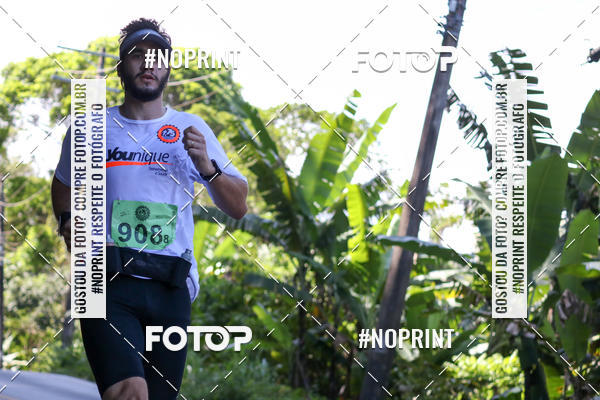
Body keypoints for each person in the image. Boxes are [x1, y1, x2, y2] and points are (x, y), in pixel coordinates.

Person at [51, 18, 248, 400]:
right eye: (137, 55)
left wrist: (207, 167)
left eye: (157, 57)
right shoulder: (90, 127)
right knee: (130, 391)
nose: (148, 64)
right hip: (103, 280)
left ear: (168, 70)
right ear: (120, 67)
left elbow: (238, 205)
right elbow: (63, 184)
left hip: (170, 286)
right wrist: (68, 224)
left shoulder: (191, 128)